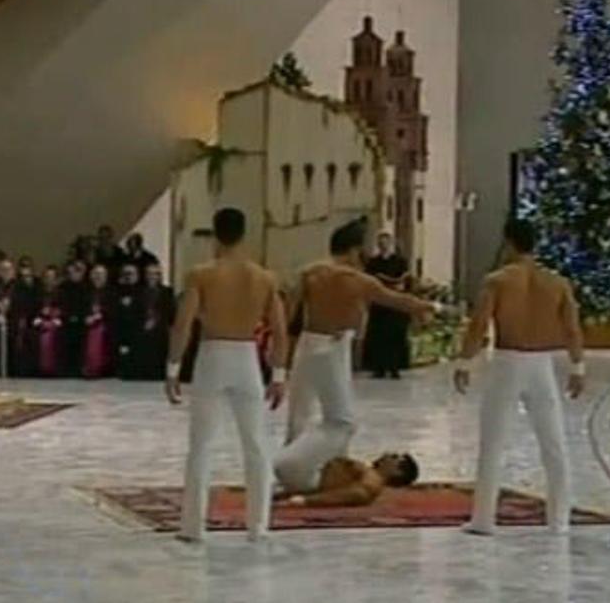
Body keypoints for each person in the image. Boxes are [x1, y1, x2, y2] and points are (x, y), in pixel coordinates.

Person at [274, 219, 436, 495]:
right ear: (354, 250)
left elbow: (290, 312)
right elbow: (396, 300)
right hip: (334, 346)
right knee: (341, 420)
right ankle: (305, 466)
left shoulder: (310, 273)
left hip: (307, 342)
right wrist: (428, 307)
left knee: (299, 413)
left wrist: (282, 353)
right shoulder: (357, 280)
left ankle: (301, 473)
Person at [453, 217, 584, 537]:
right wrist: (577, 367)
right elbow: (572, 328)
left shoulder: (498, 281)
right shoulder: (557, 283)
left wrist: (465, 362)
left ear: (508, 242)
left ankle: (484, 519)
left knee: (493, 442)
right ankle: (559, 521)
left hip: (508, 362)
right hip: (542, 365)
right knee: (553, 443)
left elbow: (479, 324)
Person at [165, 207, 288, 543]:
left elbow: (183, 325)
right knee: (256, 444)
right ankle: (258, 526)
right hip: (247, 357)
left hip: (213, 356)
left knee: (201, 445)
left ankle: (193, 527)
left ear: (215, 235)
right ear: (243, 234)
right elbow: (279, 331)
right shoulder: (264, 278)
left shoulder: (201, 274)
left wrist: (173, 368)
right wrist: (278, 374)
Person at [277, 452, 419, 507]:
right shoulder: (371, 476)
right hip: (309, 474)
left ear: (397, 472)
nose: (387, 454)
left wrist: (304, 500)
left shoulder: (373, 480)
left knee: (341, 426)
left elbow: (356, 494)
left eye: (394, 457)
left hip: (309, 477)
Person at [363, 231, 411, 379]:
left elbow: (406, 280)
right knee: (379, 336)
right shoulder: (373, 263)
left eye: (386, 242)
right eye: (380, 243)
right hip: (379, 306)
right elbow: (369, 280)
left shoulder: (400, 261)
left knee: (395, 335)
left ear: (391, 243)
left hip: (395, 304)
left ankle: (395, 367)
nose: (383, 245)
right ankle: (379, 368)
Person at [135, 263, 175, 380]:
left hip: (160, 333)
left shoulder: (167, 292)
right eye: (150, 273)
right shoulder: (138, 291)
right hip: (142, 333)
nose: (152, 276)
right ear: (145, 275)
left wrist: (156, 320)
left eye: (156, 274)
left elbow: (170, 313)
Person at [83, 264, 114, 378]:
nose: (98, 277)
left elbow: (113, 310)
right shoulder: (85, 291)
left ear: (106, 276)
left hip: (106, 326)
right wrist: (86, 317)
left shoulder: (112, 292)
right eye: (95, 274)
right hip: (86, 325)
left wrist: (99, 316)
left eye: (101, 274)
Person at [114, 264, 143, 380]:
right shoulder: (115, 292)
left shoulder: (142, 292)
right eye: (125, 274)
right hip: (120, 330)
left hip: (138, 331)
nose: (128, 277)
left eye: (131, 274)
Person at [33, 266, 64, 377]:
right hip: (39, 322)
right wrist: (38, 319)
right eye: (46, 277)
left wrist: (55, 320)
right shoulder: (37, 293)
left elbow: (64, 309)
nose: (49, 280)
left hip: (58, 323)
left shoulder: (62, 293)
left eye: (52, 277)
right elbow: (33, 310)